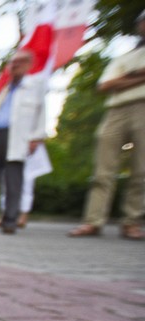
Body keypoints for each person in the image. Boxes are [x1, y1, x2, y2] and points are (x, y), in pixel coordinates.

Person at [69, 10, 145, 240]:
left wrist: (126, 78)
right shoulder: (123, 58)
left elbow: (116, 82)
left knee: (141, 169)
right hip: (116, 109)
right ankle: (93, 221)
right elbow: (105, 85)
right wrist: (139, 75)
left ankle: (131, 221)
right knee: (103, 169)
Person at [0, 49, 46, 235]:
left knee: (13, 181)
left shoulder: (34, 87)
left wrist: (36, 137)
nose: (15, 66)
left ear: (28, 65)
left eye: (20, 62)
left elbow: (41, 114)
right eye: (12, 63)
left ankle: (10, 220)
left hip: (18, 137)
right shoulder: (4, 90)